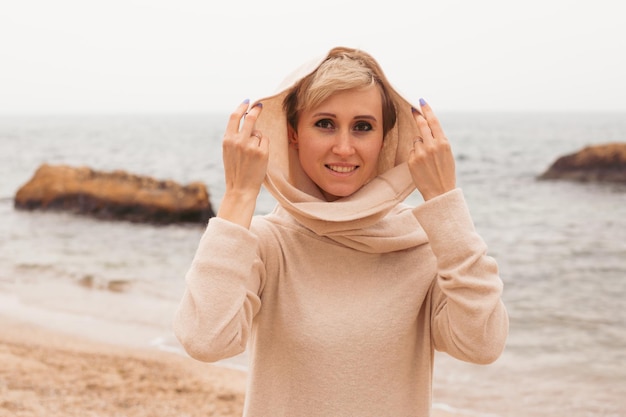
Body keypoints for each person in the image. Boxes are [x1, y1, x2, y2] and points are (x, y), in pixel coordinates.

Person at [174, 46, 509, 416]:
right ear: (293, 133)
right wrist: (239, 195)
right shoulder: (266, 243)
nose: (344, 147)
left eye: (363, 127)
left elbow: (482, 344)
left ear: (386, 138)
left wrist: (445, 203)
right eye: (325, 124)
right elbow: (205, 340)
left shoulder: (426, 246)